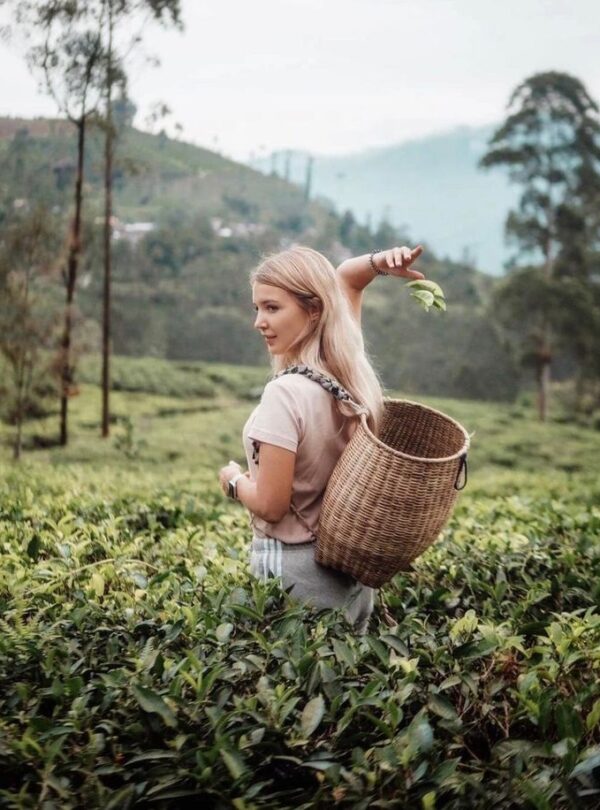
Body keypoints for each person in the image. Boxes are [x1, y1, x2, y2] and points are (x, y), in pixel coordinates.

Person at [218, 244, 425, 634]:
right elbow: (345, 278)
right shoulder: (346, 374)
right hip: (349, 578)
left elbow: (272, 505)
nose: (259, 322)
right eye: (257, 308)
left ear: (314, 310)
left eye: (272, 308)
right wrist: (379, 264)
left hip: (294, 575)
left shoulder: (285, 393)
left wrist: (232, 480)